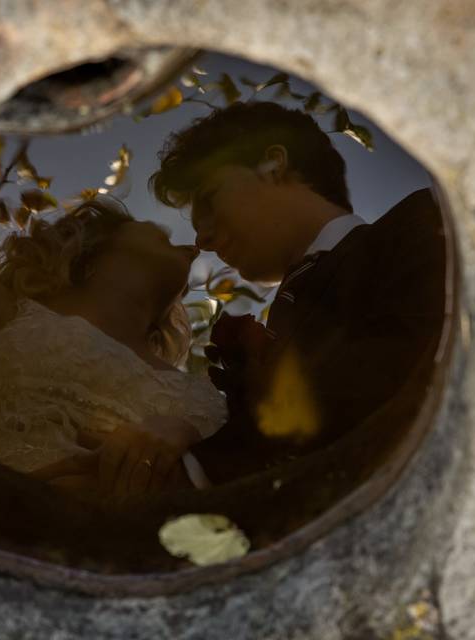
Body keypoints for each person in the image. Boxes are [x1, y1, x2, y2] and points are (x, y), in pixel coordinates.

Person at [148, 100, 448, 483]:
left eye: (209, 199)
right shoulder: (274, 328)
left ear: (274, 165)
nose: (202, 238)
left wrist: (198, 468)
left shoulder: (421, 224)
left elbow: (408, 374)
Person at [0, 196, 228, 502]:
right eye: (162, 233)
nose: (183, 243)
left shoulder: (209, 396)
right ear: (90, 249)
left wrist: (188, 451)